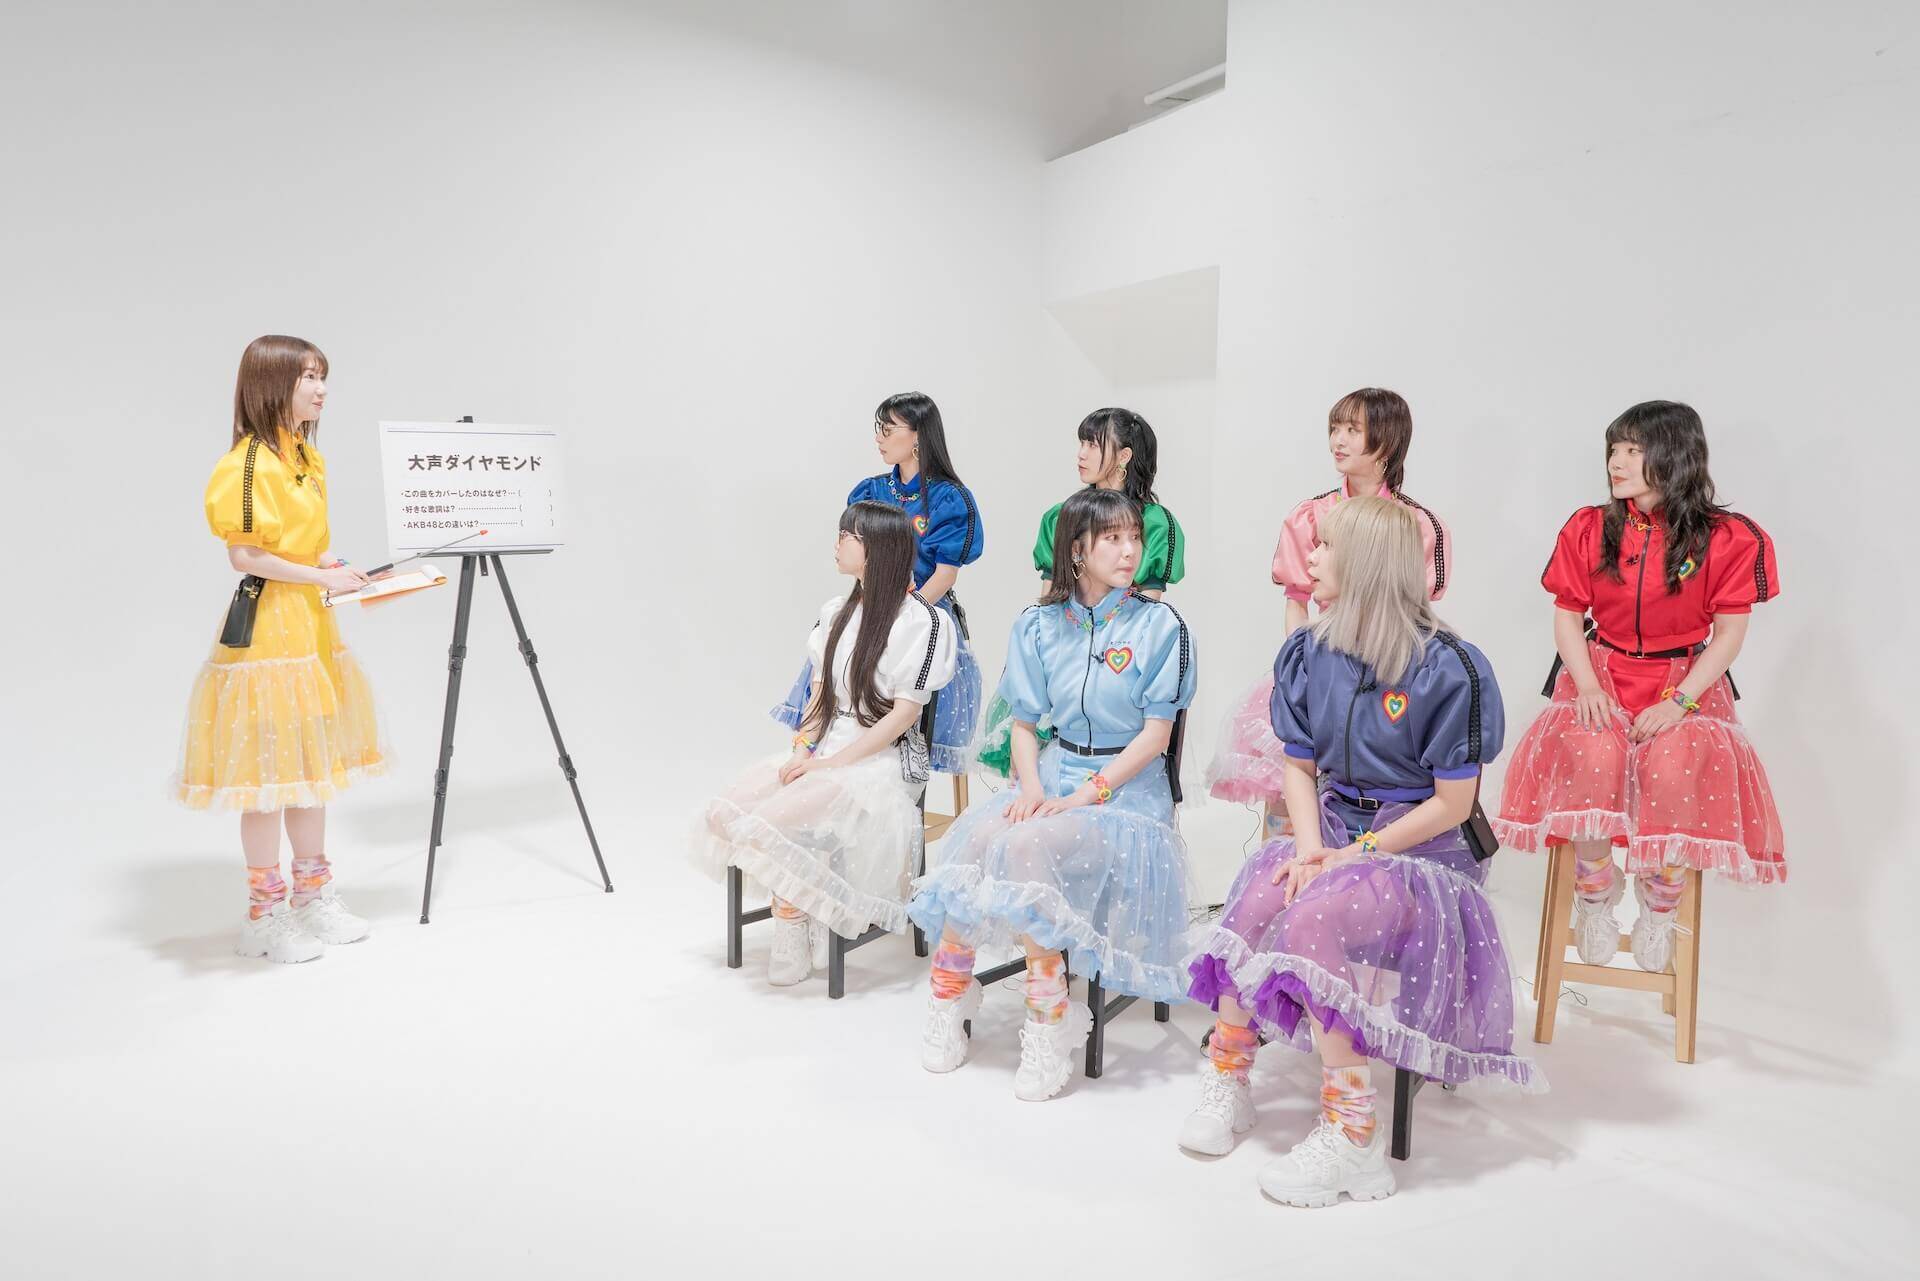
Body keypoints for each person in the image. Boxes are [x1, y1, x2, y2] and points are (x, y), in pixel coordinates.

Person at [1183, 496, 1540, 1208]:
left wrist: (1357, 854)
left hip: (1423, 855)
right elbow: (1299, 765)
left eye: (1324, 548)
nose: (1309, 558)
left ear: (1367, 564)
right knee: (1258, 897)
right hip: (1336, 834)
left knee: (1312, 917)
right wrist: (1312, 849)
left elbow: (1453, 804)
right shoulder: (1311, 651)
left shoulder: (1451, 668)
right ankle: (1228, 1075)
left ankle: (1354, 1135)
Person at [910, 488, 1197, 1100]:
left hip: (1126, 793)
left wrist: (1082, 796)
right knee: (981, 838)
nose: (1130, 551)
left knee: (1024, 845)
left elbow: (1156, 737)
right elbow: (1023, 724)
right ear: (1077, 550)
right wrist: (1034, 788)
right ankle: (951, 991)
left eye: (1134, 537)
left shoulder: (1160, 626)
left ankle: (1049, 1014)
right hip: (1053, 772)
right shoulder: (1038, 625)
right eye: (1113, 539)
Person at [1495, 400, 1784, 971]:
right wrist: (1587, 687)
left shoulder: (1727, 538)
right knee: (1592, 756)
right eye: (1614, 449)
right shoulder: (1590, 528)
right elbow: (1567, 615)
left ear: (1674, 455)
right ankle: (1595, 893)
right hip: (1601, 673)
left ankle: (1660, 905)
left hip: (1684, 682)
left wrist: (1680, 703)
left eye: (1633, 450)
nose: (1616, 462)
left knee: (1674, 769)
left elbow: (1728, 635)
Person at [174, 335, 385, 963]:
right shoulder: (246, 463)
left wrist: (336, 569)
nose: (322, 390)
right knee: (267, 775)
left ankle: (312, 895)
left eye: (322, 376)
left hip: (310, 627)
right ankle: (264, 913)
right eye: (309, 377)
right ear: (272, 384)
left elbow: (311, 544)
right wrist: (321, 577)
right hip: (268, 631)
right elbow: (245, 554)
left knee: (309, 770)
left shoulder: (304, 456)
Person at [699, 501, 957, 986]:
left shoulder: (921, 621)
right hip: (828, 752)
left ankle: (794, 920)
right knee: (725, 813)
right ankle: (810, 906)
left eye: (847, 535)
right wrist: (803, 753)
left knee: (772, 821)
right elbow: (819, 700)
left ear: (875, 548)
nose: (837, 543)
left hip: (880, 761)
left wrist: (831, 764)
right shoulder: (836, 612)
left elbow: (904, 715)